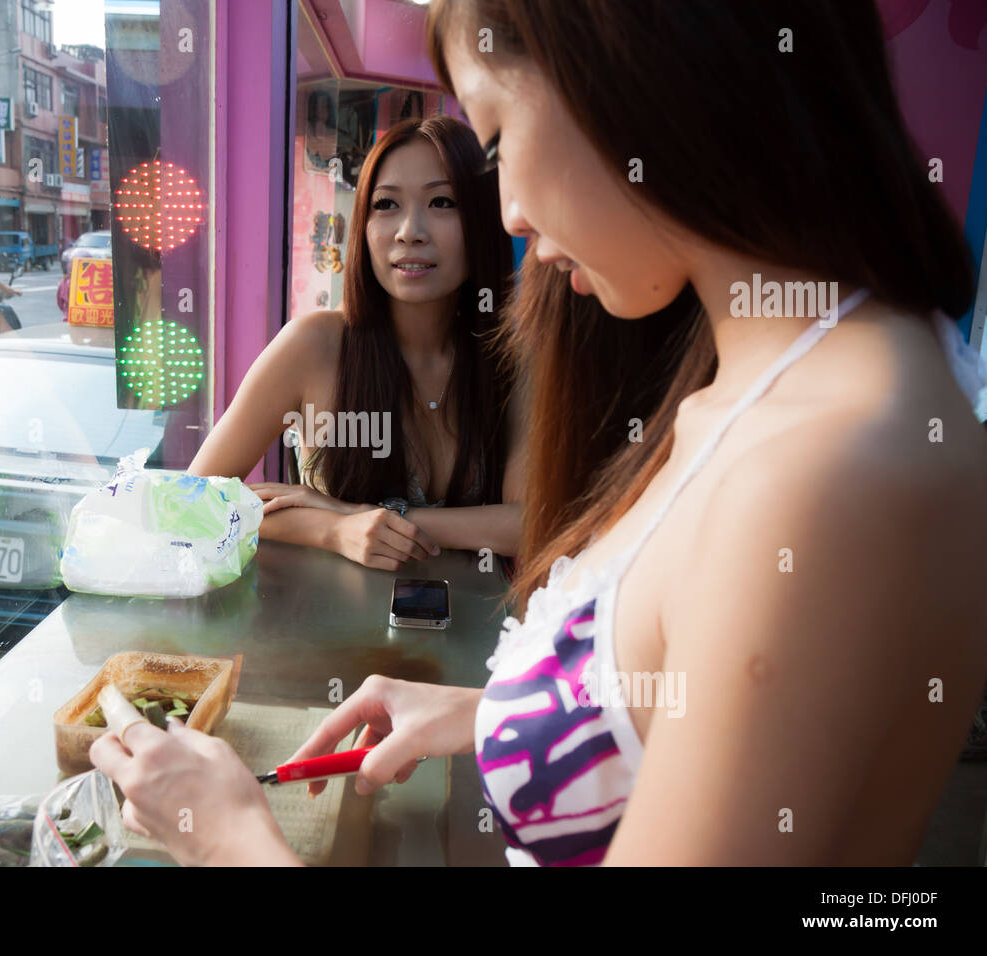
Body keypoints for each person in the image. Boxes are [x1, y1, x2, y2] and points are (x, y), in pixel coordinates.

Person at [91, 0, 987, 866]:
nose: (512, 211)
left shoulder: (815, 461)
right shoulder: (773, 387)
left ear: (625, 76)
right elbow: (672, 703)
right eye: (386, 207)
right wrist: (496, 712)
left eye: (494, 145)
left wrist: (232, 841)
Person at [188, 115, 524, 569]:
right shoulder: (314, 345)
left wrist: (360, 513)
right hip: (327, 632)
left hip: (478, 634)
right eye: (386, 205)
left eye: (442, 201)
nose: (410, 230)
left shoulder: (513, 354)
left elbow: (529, 523)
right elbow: (193, 499)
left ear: (483, 217)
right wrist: (331, 530)